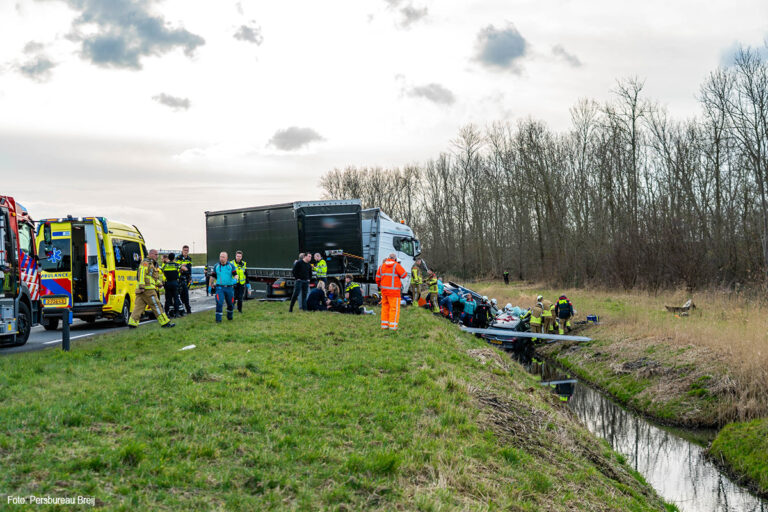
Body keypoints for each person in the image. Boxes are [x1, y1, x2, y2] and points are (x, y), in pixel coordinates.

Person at [128, 249, 174, 329]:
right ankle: (165, 322)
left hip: (144, 289)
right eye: (156, 254)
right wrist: (142, 286)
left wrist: (158, 283)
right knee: (156, 305)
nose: (157, 256)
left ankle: (132, 323)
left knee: (139, 307)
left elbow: (152, 277)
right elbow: (142, 274)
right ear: (151, 254)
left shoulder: (151, 263)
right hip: (147, 289)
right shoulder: (146, 263)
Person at [375, 253, 407, 330]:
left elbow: (377, 279)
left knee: (385, 308)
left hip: (384, 292)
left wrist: (381, 286)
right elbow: (404, 275)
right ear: (395, 259)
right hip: (394, 292)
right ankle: (393, 327)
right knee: (394, 309)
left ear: (388, 258)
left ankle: (384, 325)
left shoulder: (382, 266)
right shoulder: (396, 265)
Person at [209, 251, 238, 323]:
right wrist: (210, 285)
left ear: (226, 258)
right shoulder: (216, 266)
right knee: (219, 302)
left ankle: (230, 317)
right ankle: (218, 320)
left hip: (229, 288)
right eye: (220, 257)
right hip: (220, 288)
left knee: (230, 303)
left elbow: (235, 274)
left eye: (223, 257)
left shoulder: (231, 266)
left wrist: (235, 279)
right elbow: (212, 276)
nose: (221, 258)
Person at [161, 252, 182, 318]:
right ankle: (177, 313)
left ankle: (166, 313)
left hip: (168, 283)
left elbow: (162, 271)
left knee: (168, 299)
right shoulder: (176, 265)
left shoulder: (165, 265)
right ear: (174, 258)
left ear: (168, 258)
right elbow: (181, 269)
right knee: (176, 298)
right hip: (175, 282)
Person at [176, 245, 193, 315]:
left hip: (187, 277)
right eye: (185, 250)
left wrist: (190, 278)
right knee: (179, 295)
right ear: (182, 250)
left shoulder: (189, 258)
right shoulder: (178, 258)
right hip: (180, 278)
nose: (186, 252)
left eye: (187, 250)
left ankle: (188, 310)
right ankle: (180, 310)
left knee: (186, 295)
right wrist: (182, 265)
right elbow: (177, 267)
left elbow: (190, 269)